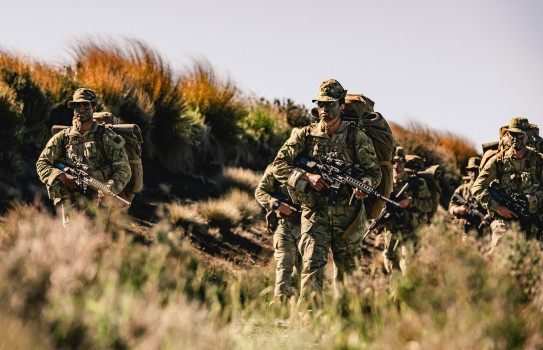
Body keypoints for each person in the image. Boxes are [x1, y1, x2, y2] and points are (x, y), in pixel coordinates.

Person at [272, 79, 382, 304]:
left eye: (330, 104)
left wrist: (365, 186)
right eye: (321, 103)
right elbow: (279, 165)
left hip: (348, 217)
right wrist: (306, 177)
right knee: (311, 268)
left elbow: (374, 172)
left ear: (342, 106)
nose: (325, 108)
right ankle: (309, 322)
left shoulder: (356, 137)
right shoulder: (305, 135)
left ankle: (346, 322)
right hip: (315, 214)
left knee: (349, 273)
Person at [36, 88, 131, 228]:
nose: (81, 109)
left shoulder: (107, 137)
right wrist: (61, 176)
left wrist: (109, 188)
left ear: (94, 107)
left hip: (97, 202)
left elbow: (123, 169)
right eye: (76, 106)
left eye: (86, 106)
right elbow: (42, 163)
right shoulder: (63, 137)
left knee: (95, 242)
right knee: (71, 244)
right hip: (70, 202)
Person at [472, 117, 543, 254]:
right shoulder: (498, 161)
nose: (515, 138)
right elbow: (477, 187)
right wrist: (498, 208)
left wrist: (534, 200)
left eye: (520, 135)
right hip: (505, 218)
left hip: (534, 218)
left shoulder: (539, 161)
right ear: (508, 135)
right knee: (497, 253)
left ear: (527, 136)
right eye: (512, 134)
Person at [255, 163, 302, 306]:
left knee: (306, 267)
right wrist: (277, 204)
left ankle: (303, 305)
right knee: (284, 263)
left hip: (309, 226)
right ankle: (280, 304)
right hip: (283, 224)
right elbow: (260, 192)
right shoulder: (276, 168)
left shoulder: (315, 167)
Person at [382, 147, 433, 274]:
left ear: (405, 163)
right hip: (391, 231)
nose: (396, 165)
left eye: (400, 161)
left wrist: (411, 202)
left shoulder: (417, 183)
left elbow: (428, 205)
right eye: (394, 161)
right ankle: (396, 294)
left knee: (407, 265)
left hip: (410, 231)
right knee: (392, 267)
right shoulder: (385, 183)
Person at [449, 156, 490, 237]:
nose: (474, 174)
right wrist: (457, 209)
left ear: (481, 171)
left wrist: (489, 216)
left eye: (476, 170)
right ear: (468, 172)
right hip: (463, 230)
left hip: (481, 231)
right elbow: (451, 205)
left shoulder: (488, 189)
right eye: (471, 171)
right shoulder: (462, 189)